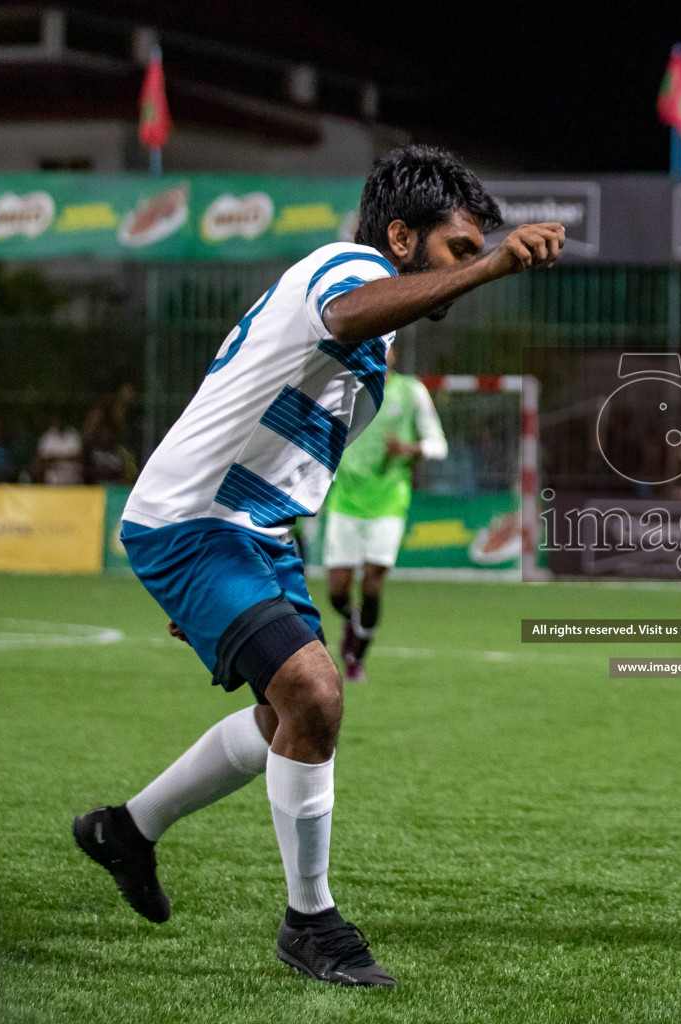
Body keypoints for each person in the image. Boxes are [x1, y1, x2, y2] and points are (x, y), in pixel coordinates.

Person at [71, 145, 564, 987]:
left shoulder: (379, 333)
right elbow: (344, 316)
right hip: (200, 523)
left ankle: (128, 830)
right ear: (401, 238)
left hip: (249, 532)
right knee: (316, 694)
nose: (464, 259)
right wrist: (488, 269)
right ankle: (311, 923)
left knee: (288, 722)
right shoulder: (344, 267)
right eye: (454, 245)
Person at [325, 348, 447, 682]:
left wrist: (410, 449)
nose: (382, 349)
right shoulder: (343, 389)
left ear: (394, 352)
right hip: (346, 499)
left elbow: (439, 444)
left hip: (389, 500)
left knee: (373, 580)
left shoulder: (412, 391)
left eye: (388, 343)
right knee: (337, 590)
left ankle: (358, 654)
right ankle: (352, 621)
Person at [34, 412, 83, 485]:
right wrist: (65, 458)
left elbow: (77, 455)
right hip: (53, 480)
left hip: (72, 480)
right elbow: (42, 458)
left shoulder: (73, 435)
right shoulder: (48, 436)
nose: (58, 422)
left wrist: (55, 458)